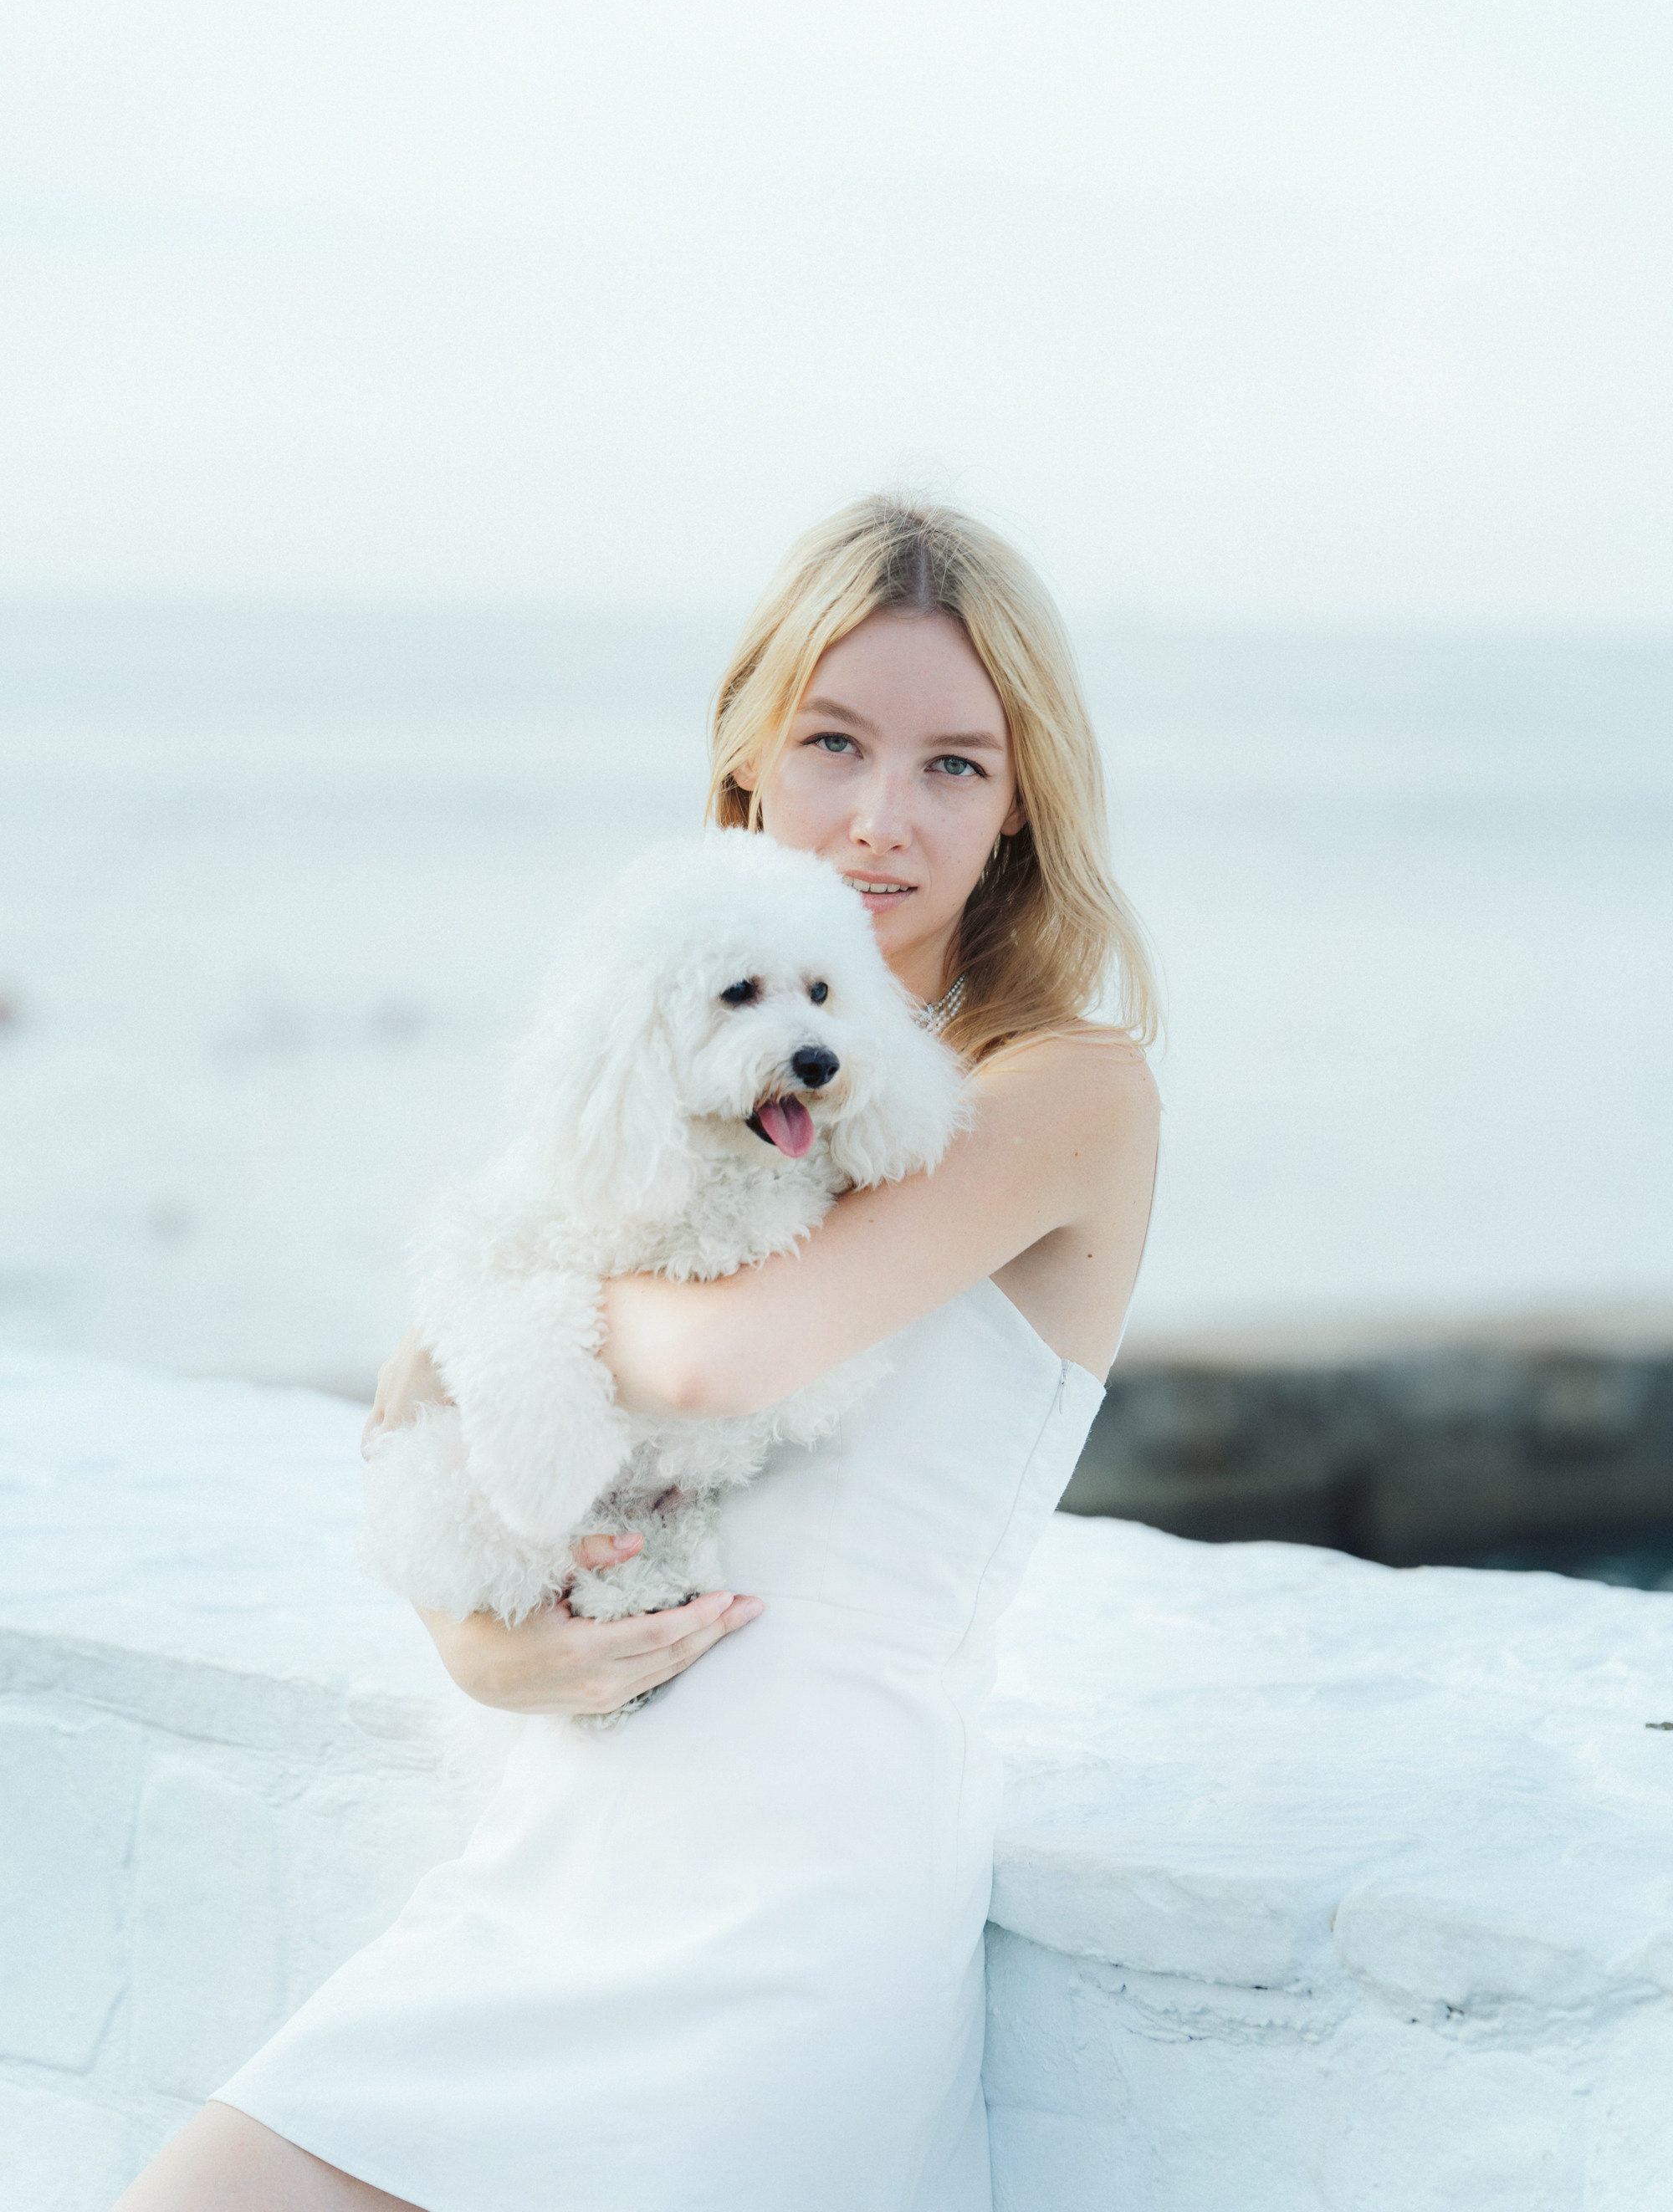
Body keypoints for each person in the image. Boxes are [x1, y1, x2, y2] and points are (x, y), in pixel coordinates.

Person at [119, 496, 1160, 2212]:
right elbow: (415, 1413)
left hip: (801, 1921)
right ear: (750, 760)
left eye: (955, 765)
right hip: (555, 1864)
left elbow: (719, 1361)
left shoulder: (1066, 1094)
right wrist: (480, 1649)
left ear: (1021, 802)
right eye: (835, 744)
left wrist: (496, 1291)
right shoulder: (680, 1080)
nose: (880, 821)